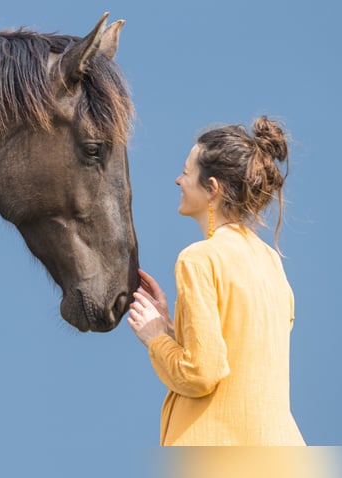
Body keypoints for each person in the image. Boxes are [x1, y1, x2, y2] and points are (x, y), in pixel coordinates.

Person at [127, 116, 305, 446]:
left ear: (212, 189)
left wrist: (155, 338)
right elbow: (242, 355)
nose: (178, 180)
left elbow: (201, 374)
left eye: (186, 172)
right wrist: (170, 326)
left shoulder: (199, 259)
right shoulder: (271, 263)